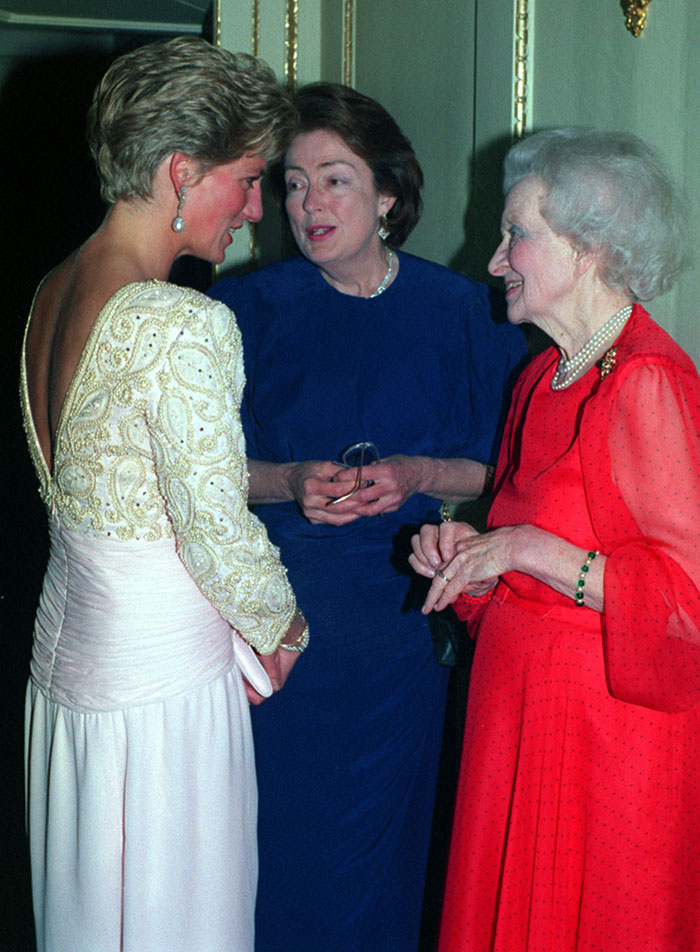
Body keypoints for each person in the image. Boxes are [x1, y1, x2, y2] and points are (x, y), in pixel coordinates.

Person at [209, 82, 527, 952]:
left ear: (388, 193)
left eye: (336, 178)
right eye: (295, 181)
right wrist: (287, 481)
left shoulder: (461, 309)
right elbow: (198, 478)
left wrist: (421, 471)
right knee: (278, 853)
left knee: (388, 867)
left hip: (400, 637)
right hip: (283, 629)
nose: (310, 202)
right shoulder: (243, 312)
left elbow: (507, 465)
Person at [20, 36, 307, 952]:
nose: (257, 209)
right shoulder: (181, 322)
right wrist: (286, 628)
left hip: (68, 674)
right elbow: (214, 530)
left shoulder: (48, 294)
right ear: (181, 172)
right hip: (162, 691)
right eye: (248, 178)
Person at [410, 128, 700, 951]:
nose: (495, 258)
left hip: (610, 749)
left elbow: (689, 606)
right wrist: (471, 561)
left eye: (516, 234)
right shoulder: (540, 378)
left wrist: (531, 551)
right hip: (518, 723)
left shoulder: (646, 382)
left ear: (590, 247)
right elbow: (514, 560)